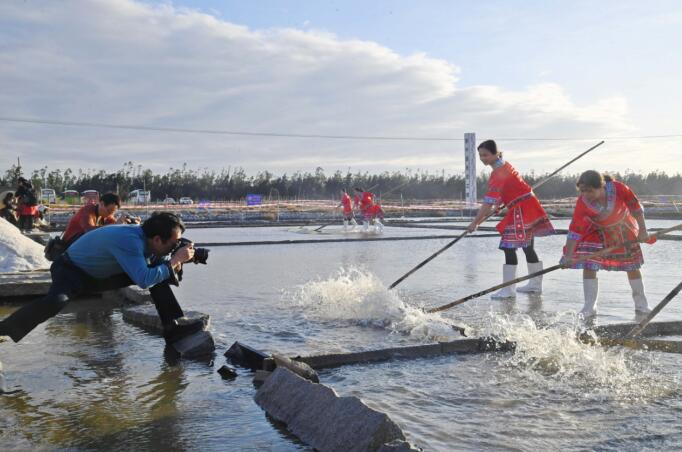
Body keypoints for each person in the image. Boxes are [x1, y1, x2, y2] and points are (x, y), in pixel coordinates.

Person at [0, 212, 200, 345]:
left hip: (97, 274)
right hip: (70, 270)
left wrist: (172, 260)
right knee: (56, 302)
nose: (174, 248)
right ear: (157, 239)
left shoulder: (146, 239)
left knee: (160, 271)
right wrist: (174, 260)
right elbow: (144, 280)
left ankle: (172, 328)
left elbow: (156, 269)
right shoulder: (130, 240)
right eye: (172, 243)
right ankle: (5, 329)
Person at [467, 140, 555, 298]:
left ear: (495, 153)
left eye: (485, 155)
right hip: (526, 206)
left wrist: (475, 223)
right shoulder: (504, 166)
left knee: (509, 247)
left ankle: (509, 290)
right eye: (480, 155)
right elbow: (508, 190)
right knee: (527, 247)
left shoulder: (499, 172)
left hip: (522, 209)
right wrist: (500, 203)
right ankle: (534, 286)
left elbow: (488, 202)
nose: (482, 158)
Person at [560, 171, 651, 317]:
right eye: (582, 191)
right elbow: (575, 229)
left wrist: (643, 231)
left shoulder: (619, 189)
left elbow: (635, 208)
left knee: (632, 266)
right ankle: (589, 307)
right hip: (596, 230)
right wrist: (568, 256)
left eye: (590, 190)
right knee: (589, 263)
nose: (586, 194)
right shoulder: (582, 203)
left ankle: (641, 305)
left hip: (621, 227)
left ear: (601, 186)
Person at [61, 192, 128, 245]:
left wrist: (128, 224)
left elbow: (114, 227)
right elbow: (89, 231)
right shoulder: (87, 211)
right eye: (109, 211)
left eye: (113, 212)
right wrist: (115, 225)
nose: (110, 214)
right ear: (101, 204)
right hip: (70, 245)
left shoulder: (107, 215)